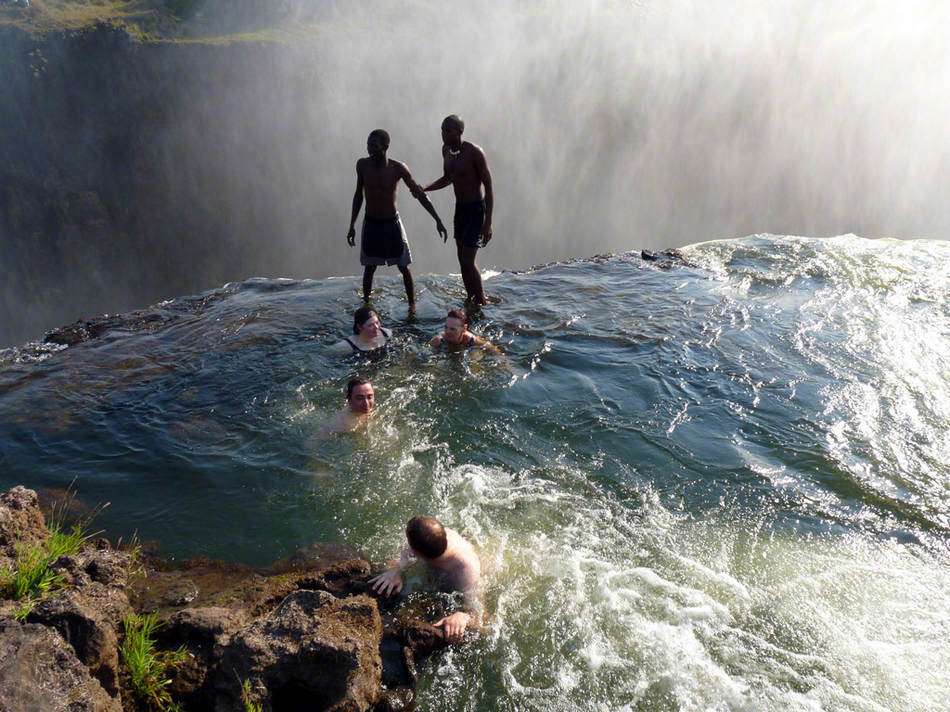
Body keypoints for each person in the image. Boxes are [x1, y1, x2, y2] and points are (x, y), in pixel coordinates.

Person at [347, 129, 448, 311]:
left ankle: (412, 305)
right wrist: (352, 225)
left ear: (385, 147)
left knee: (404, 267)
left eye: (374, 146)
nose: (369, 149)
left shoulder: (397, 168)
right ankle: (366, 307)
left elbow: (419, 194)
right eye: (368, 145)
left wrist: (437, 219)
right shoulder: (362, 165)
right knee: (369, 268)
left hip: (392, 224)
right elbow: (358, 195)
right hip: (371, 223)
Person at [370, 516, 483, 643]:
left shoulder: (466, 570)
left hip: (462, 578)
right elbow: (399, 558)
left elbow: (481, 619)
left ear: (415, 551)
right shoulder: (435, 537)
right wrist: (395, 569)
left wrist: (463, 616)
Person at [422, 115, 494, 306]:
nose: (443, 134)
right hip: (460, 209)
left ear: (459, 131)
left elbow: (489, 186)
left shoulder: (474, 152)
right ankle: (470, 297)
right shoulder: (446, 151)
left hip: (476, 210)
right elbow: (448, 178)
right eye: (442, 129)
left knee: (468, 260)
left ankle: (481, 300)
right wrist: (424, 188)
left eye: (448, 130)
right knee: (461, 259)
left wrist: (488, 223)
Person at [428, 308, 500, 354]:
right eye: (446, 327)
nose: (447, 331)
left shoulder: (472, 340)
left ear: (464, 329)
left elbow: (495, 351)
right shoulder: (438, 341)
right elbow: (422, 353)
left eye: (452, 329)